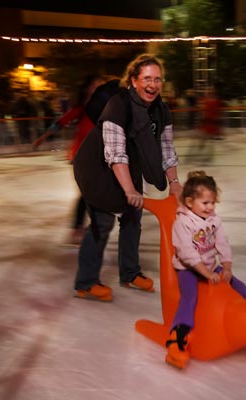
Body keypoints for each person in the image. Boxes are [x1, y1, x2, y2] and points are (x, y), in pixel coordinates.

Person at [72, 54, 182, 302]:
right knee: (102, 222)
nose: (153, 85)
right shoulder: (118, 105)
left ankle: (130, 273)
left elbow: (166, 148)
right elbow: (115, 153)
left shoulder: (161, 111)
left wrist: (174, 183)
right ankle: (86, 283)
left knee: (133, 217)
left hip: (128, 165)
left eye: (157, 79)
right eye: (147, 79)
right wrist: (130, 190)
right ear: (133, 80)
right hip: (96, 166)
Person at [166, 171, 246, 369]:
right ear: (189, 202)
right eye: (205, 203)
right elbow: (187, 253)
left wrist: (226, 267)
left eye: (212, 203)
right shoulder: (182, 223)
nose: (210, 207)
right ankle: (178, 338)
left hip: (210, 265)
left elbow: (222, 243)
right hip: (188, 269)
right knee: (190, 296)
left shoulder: (214, 219)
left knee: (240, 286)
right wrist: (206, 273)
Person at [33, 74, 105, 244]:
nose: (98, 89)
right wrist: (43, 137)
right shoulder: (81, 108)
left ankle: (88, 225)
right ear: (87, 89)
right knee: (87, 193)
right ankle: (78, 227)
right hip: (80, 155)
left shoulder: (103, 107)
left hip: (97, 155)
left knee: (97, 192)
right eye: (95, 86)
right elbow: (61, 122)